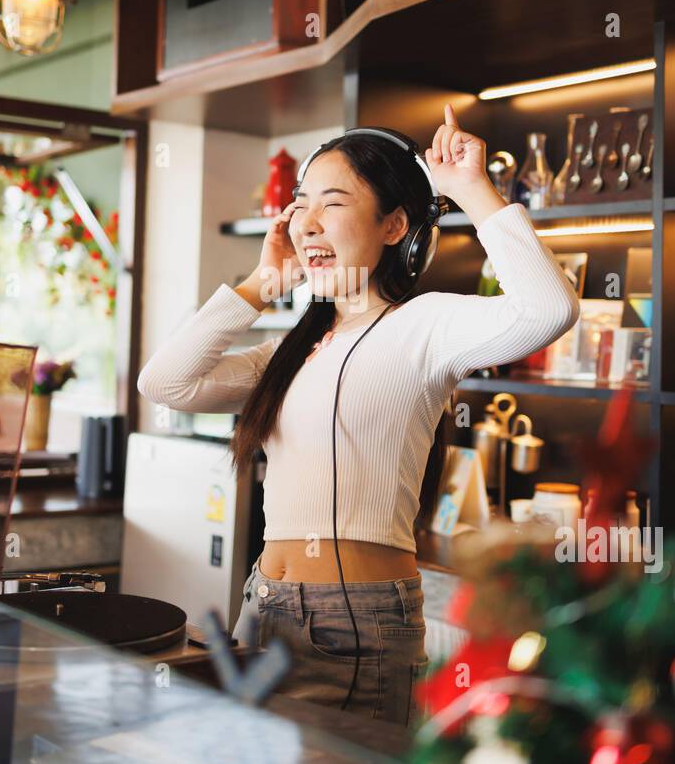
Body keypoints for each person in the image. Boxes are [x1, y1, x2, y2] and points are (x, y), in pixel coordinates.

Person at [137, 104, 580, 726]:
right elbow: (164, 383)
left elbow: (546, 310)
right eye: (301, 202)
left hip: (356, 620)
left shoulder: (423, 326)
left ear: (395, 225)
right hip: (261, 607)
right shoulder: (289, 350)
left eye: (333, 203)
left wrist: (469, 189)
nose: (307, 223)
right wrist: (264, 282)